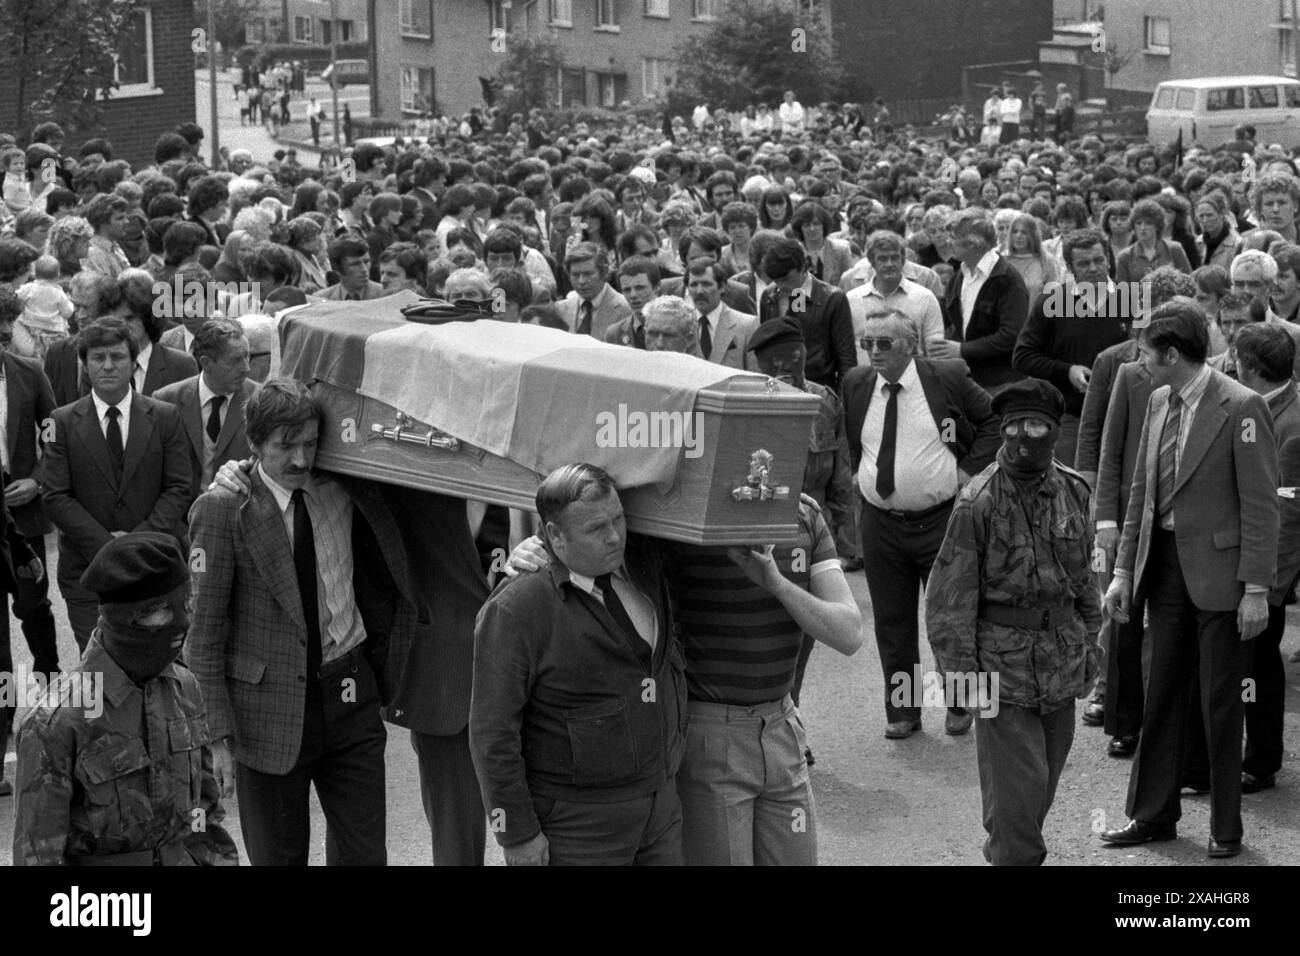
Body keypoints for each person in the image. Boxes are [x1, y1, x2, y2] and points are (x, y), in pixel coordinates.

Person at [187, 379, 419, 866]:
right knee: (278, 857)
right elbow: (203, 637)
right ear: (253, 444)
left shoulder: (343, 487)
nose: (298, 459)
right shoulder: (224, 508)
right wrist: (217, 739)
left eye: (310, 444)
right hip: (266, 715)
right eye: (283, 446)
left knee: (364, 854)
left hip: (350, 695)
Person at [1101, 298, 1278, 859]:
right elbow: (1141, 495)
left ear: (1172, 354)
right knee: (1161, 697)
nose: (1140, 363)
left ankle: (1226, 829)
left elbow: (1261, 507)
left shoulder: (1242, 406)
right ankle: (1152, 816)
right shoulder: (1156, 400)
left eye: (1147, 354)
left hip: (1224, 579)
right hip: (1166, 569)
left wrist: (1256, 590)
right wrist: (1124, 570)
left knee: (1220, 704)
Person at [470, 463, 687, 865]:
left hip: (661, 809)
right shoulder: (516, 608)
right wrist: (516, 835)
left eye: (618, 519)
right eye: (595, 529)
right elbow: (491, 734)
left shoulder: (645, 565)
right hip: (578, 828)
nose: (614, 536)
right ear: (554, 535)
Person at [925, 379, 1101, 866]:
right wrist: (959, 678)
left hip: (1062, 662)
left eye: (1037, 425)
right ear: (1002, 431)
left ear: (1054, 431)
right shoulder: (977, 501)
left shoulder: (1074, 491)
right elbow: (949, 600)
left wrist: (1092, 647)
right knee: (1016, 800)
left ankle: (1010, 849)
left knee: (1038, 788)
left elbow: (1086, 579)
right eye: (1014, 426)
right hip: (999, 670)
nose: (1025, 435)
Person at [12, 532, 238, 865]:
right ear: (122, 619)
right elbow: (37, 855)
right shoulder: (55, 722)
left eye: (185, 605)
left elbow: (204, 819)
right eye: (160, 612)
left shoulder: (184, 688)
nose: (181, 623)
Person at [844, 310, 1000, 738]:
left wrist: (969, 470)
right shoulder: (856, 384)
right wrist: (862, 477)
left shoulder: (945, 378)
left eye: (884, 343)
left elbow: (993, 421)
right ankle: (903, 712)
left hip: (944, 520)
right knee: (892, 622)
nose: (873, 351)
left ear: (909, 345)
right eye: (868, 342)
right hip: (881, 524)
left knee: (954, 617)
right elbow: (855, 438)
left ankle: (960, 705)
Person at [42, 318, 192, 652]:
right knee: (98, 663)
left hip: (154, 566)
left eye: (117, 357)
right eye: (98, 358)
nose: (108, 365)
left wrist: (138, 541)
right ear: (85, 364)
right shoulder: (60, 421)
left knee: (157, 663)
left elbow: (180, 486)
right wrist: (107, 547)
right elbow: (54, 495)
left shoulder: (165, 416)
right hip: (86, 571)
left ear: (132, 361)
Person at [1231, 323, 1300, 794]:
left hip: (1270, 571)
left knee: (1259, 668)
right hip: (1260, 564)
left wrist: (1266, 588)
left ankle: (1260, 761)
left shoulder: (1290, 426)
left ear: (1250, 368)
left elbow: (1287, 515)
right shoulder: (1267, 408)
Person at [1011, 229, 1132, 466]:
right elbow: (1022, 356)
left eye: (1099, 260)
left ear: (1109, 258)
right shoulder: (1053, 301)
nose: (1094, 267)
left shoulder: (1131, 297)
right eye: (1084, 263)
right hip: (1070, 419)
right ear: (1069, 266)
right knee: (1070, 490)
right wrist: (1067, 371)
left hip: (1124, 416)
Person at [153, 318, 254, 501]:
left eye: (247, 356)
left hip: (239, 517)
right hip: (180, 520)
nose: (246, 368)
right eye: (235, 361)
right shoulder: (167, 400)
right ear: (206, 363)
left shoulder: (260, 399)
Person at [933, 208, 1031, 394]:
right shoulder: (961, 275)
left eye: (953, 237)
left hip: (1000, 384)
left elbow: (1011, 335)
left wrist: (962, 350)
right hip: (967, 379)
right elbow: (947, 313)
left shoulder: (1007, 279)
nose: (948, 242)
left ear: (972, 243)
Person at [758, 238, 856, 392]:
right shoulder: (769, 296)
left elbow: (847, 359)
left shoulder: (832, 298)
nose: (781, 286)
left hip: (819, 389)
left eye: (786, 279)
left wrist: (841, 403)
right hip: (777, 390)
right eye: (776, 281)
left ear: (803, 267)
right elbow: (765, 350)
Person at [687, 258, 756, 369]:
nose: (699, 291)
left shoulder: (747, 325)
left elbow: (756, 377)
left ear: (722, 287)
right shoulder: (682, 326)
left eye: (706, 284)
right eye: (694, 285)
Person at [556, 243, 631, 339]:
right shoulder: (560, 309)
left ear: (603, 272)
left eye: (588, 274)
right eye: (575, 275)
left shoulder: (625, 308)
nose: (581, 281)